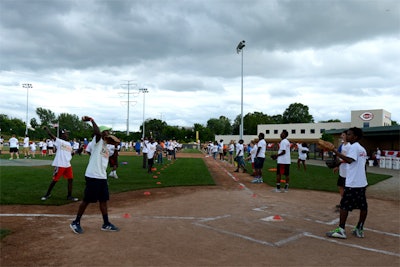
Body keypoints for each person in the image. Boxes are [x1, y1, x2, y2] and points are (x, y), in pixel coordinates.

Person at [70, 116, 120, 234]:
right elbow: (97, 133)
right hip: (93, 176)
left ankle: (106, 223)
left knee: (103, 200)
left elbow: (116, 141)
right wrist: (92, 120)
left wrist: (112, 141)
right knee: (87, 200)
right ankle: (75, 222)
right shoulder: (97, 141)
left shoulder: (106, 147)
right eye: (106, 131)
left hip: (102, 177)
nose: (109, 133)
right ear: (102, 133)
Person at [326, 127, 368, 239]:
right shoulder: (362, 148)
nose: (347, 136)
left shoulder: (354, 147)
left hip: (353, 183)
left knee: (344, 206)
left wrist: (334, 151)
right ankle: (359, 228)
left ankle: (341, 230)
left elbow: (350, 160)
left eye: (349, 134)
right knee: (363, 206)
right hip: (361, 182)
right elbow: (363, 165)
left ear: (355, 137)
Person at [41, 127, 78, 201]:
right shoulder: (59, 141)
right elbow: (51, 135)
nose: (67, 135)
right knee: (55, 180)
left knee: (70, 180)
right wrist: (46, 129)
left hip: (67, 164)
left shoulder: (68, 144)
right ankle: (47, 194)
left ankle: (69, 196)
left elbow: (70, 154)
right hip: (60, 164)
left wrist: (77, 151)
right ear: (62, 135)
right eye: (66, 133)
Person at [333, 131, 350, 211]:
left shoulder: (350, 146)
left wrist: (340, 163)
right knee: (340, 186)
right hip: (342, 170)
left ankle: (345, 203)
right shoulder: (342, 145)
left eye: (343, 135)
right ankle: (344, 202)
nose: (341, 136)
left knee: (347, 188)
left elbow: (349, 159)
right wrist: (337, 166)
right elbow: (340, 158)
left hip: (348, 171)